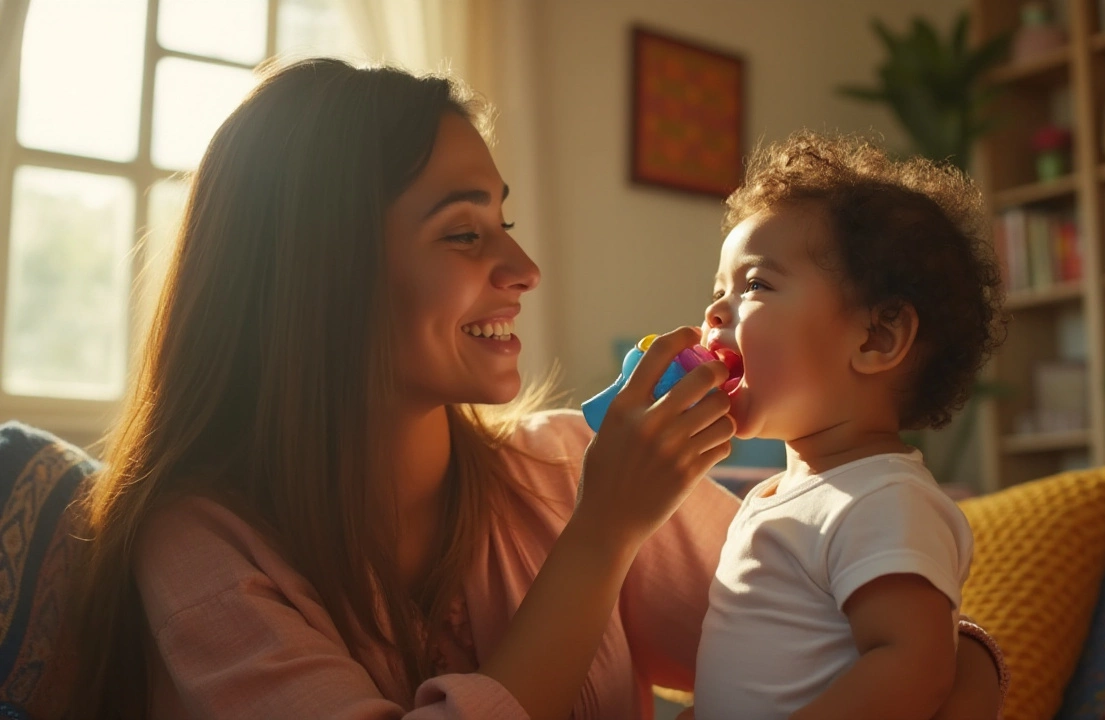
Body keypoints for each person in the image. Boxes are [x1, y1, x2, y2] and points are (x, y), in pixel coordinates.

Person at [46, 59, 1004, 720]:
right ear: (318, 273)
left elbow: (863, 630)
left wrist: (954, 672)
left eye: (505, 221)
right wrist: (601, 537)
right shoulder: (200, 551)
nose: (523, 267)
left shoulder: (565, 468)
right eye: (466, 233)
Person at [689, 132, 1007, 720]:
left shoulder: (882, 498)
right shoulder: (773, 497)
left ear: (876, 338)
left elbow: (914, 668)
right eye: (718, 290)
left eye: (755, 284)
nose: (714, 310)